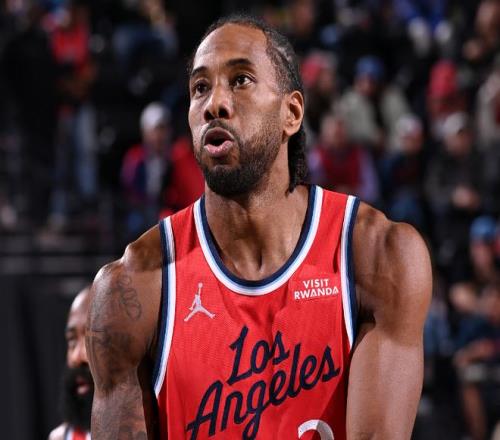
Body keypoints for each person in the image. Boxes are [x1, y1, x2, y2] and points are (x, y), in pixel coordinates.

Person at [86, 15, 432, 439]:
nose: (215, 103)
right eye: (200, 87)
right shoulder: (135, 286)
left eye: (240, 80)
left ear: (292, 113)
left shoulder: (376, 256)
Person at [49, 286, 93, 440]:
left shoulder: (154, 428)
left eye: (91, 339)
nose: (76, 357)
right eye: (72, 341)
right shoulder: (61, 437)